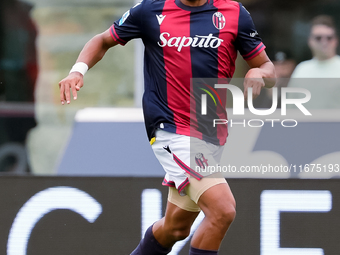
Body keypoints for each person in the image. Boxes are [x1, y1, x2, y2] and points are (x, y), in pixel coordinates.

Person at [59, 0, 276, 254]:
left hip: (212, 133)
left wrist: (259, 74)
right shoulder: (150, 10)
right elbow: (103, 39)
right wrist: (77, 71)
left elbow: (267, 67)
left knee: (175, 229)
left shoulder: (234, 12)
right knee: (222, 210)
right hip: (172, 129)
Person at [287, 15, 340, 109]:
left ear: (336, 40)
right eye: (318, 38)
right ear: (310, 41)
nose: (324, 42)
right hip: (306, 123)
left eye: (329, 37)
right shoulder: (301, 69)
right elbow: (290, 107)